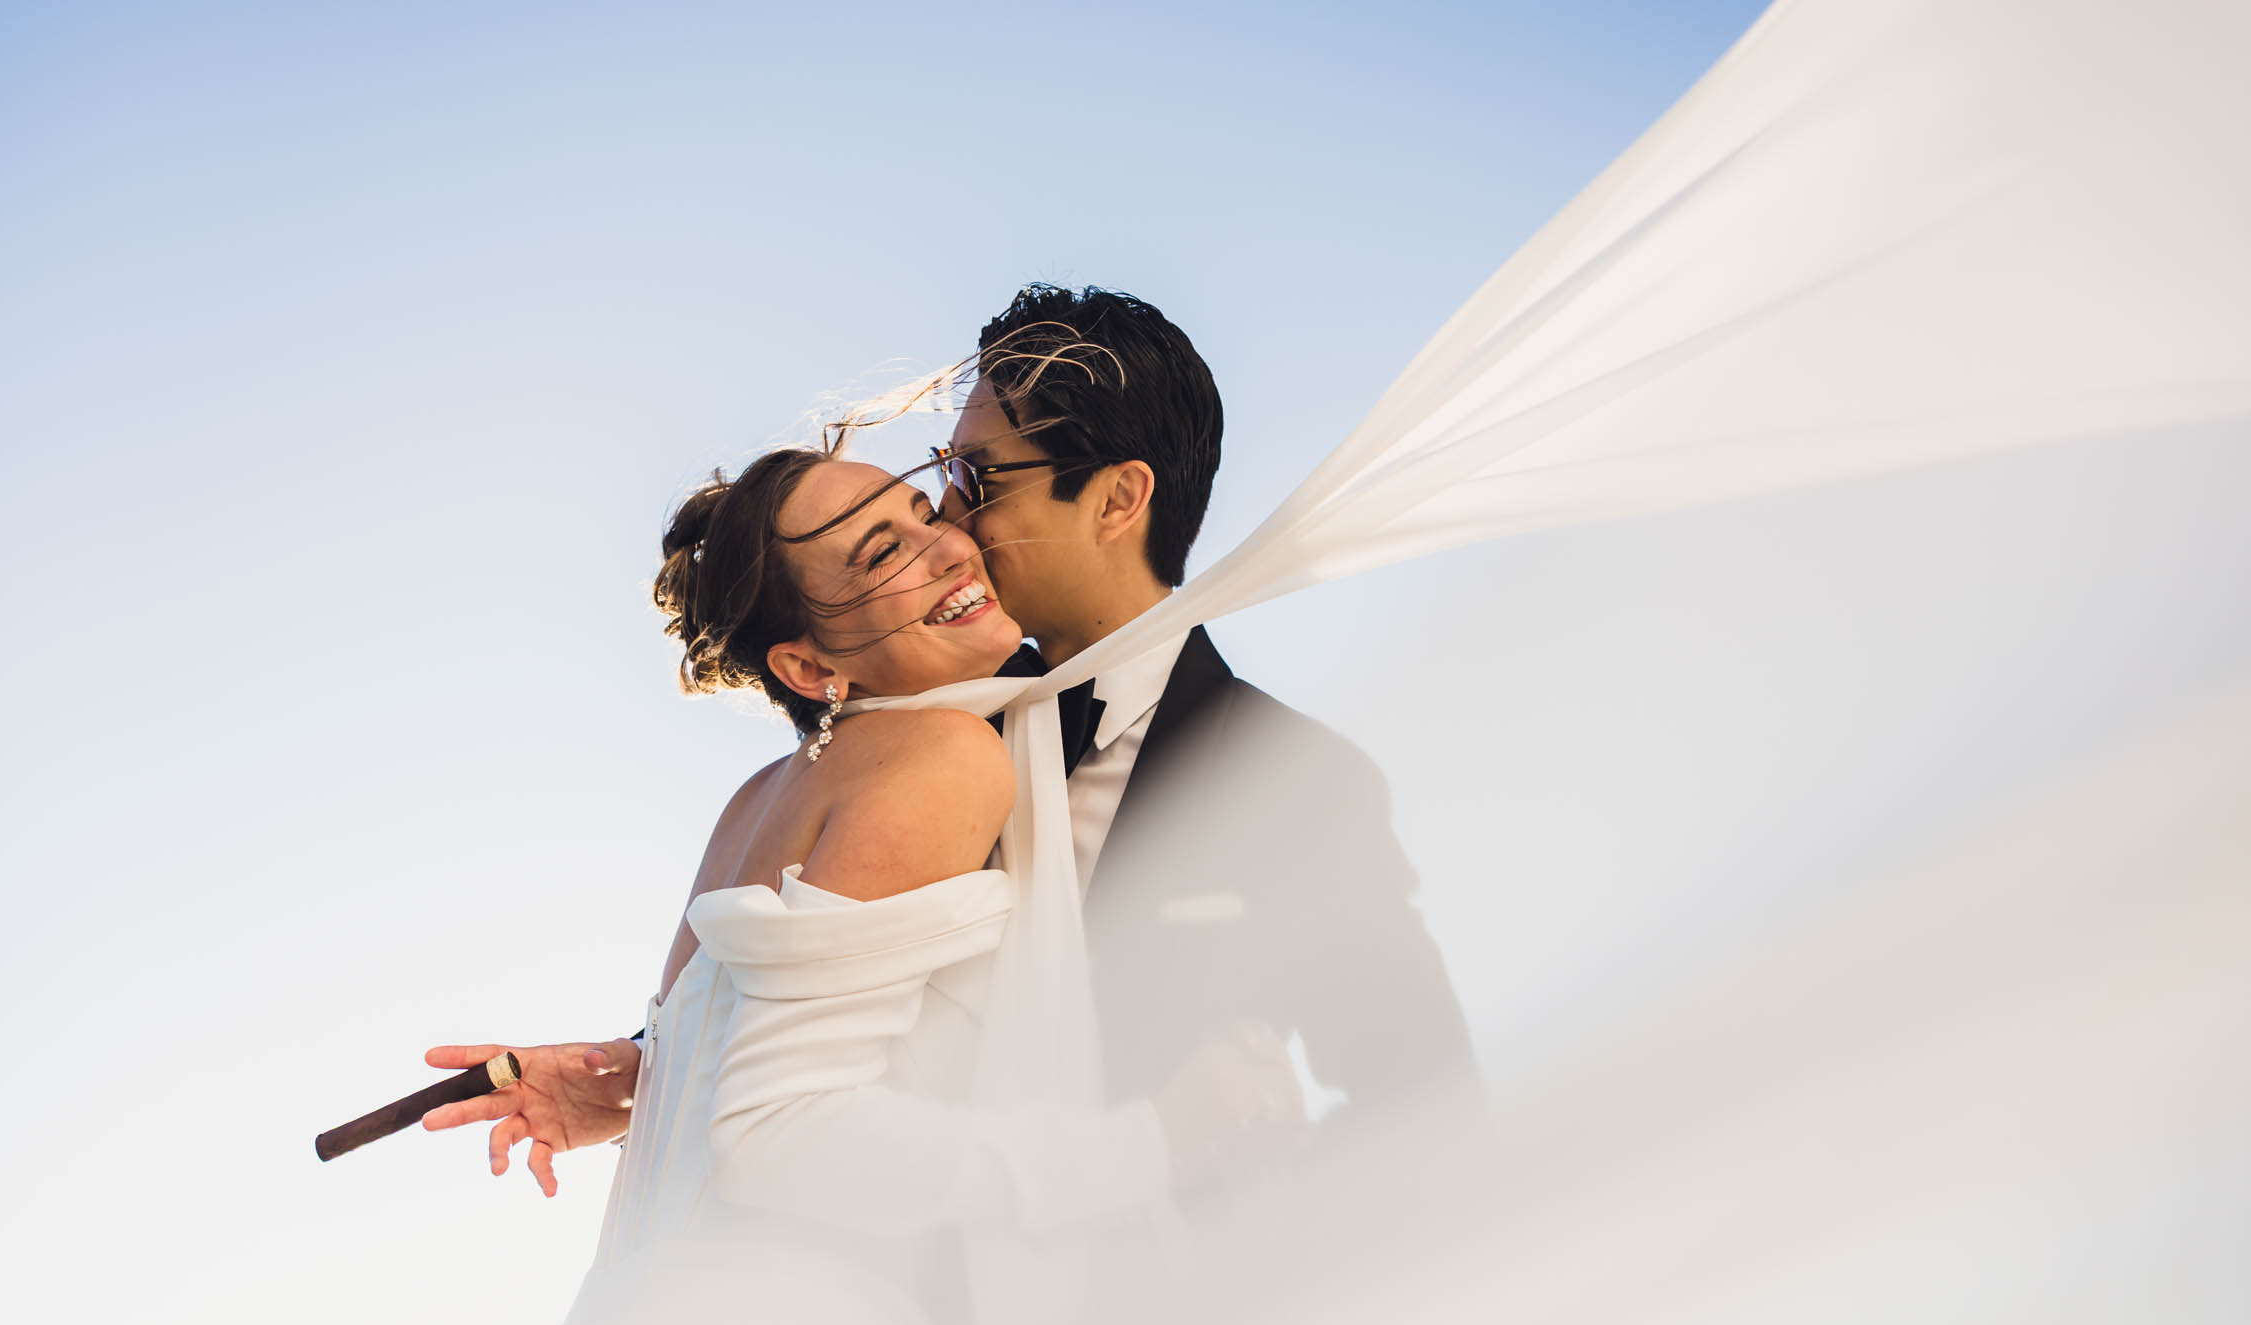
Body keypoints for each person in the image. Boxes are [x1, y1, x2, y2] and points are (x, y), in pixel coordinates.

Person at [423, 286, 1475, 1194]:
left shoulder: (1300, 787)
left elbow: (1423, 1104)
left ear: (1118, 499)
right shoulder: (907, 733)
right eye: (944, 478)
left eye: (980, 479)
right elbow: (810, 1014)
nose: (951, 522)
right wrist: (641, 1077)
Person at [484, 428, 1308, 1325]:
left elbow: (729, 1066)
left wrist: (631, 1075)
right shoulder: (945, 753)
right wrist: (1154, 1141)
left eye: (922, 514)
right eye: (880, 553)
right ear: (806, 664)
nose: (950, 545)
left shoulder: (756, 802)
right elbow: (776, 1137)